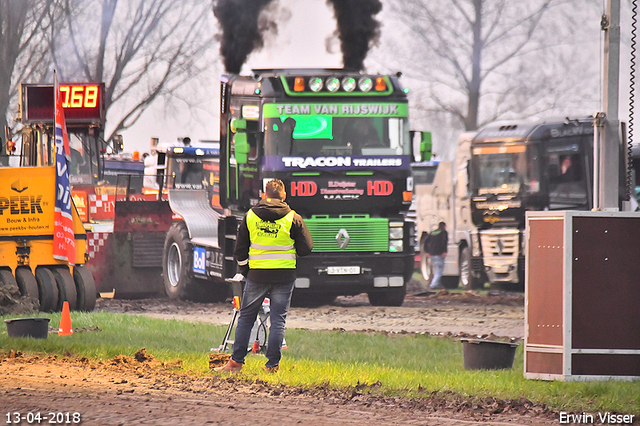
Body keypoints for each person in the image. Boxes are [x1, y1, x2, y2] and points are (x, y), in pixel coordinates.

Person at [215, 179, 313, 373]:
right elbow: (307, 248)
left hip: (257, 276)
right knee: (277, 321)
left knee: (246, 318)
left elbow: (239, 250)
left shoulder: (251, 216)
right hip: (284, 276)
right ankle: (272, 366)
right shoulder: (293, 217)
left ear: (264, 195)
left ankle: (235, 363)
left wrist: (246, 271)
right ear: (283, 196)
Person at [425, 222, 448, 290]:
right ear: (444, 226)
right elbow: (444, 242)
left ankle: (438, 285)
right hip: (439, 254)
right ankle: (433, 285)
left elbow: (426, 242)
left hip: (432, 254)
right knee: (439, 271)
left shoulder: (432, 232)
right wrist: (444, 251)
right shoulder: (444, 233)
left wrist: (427, 251)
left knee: (435, 270)